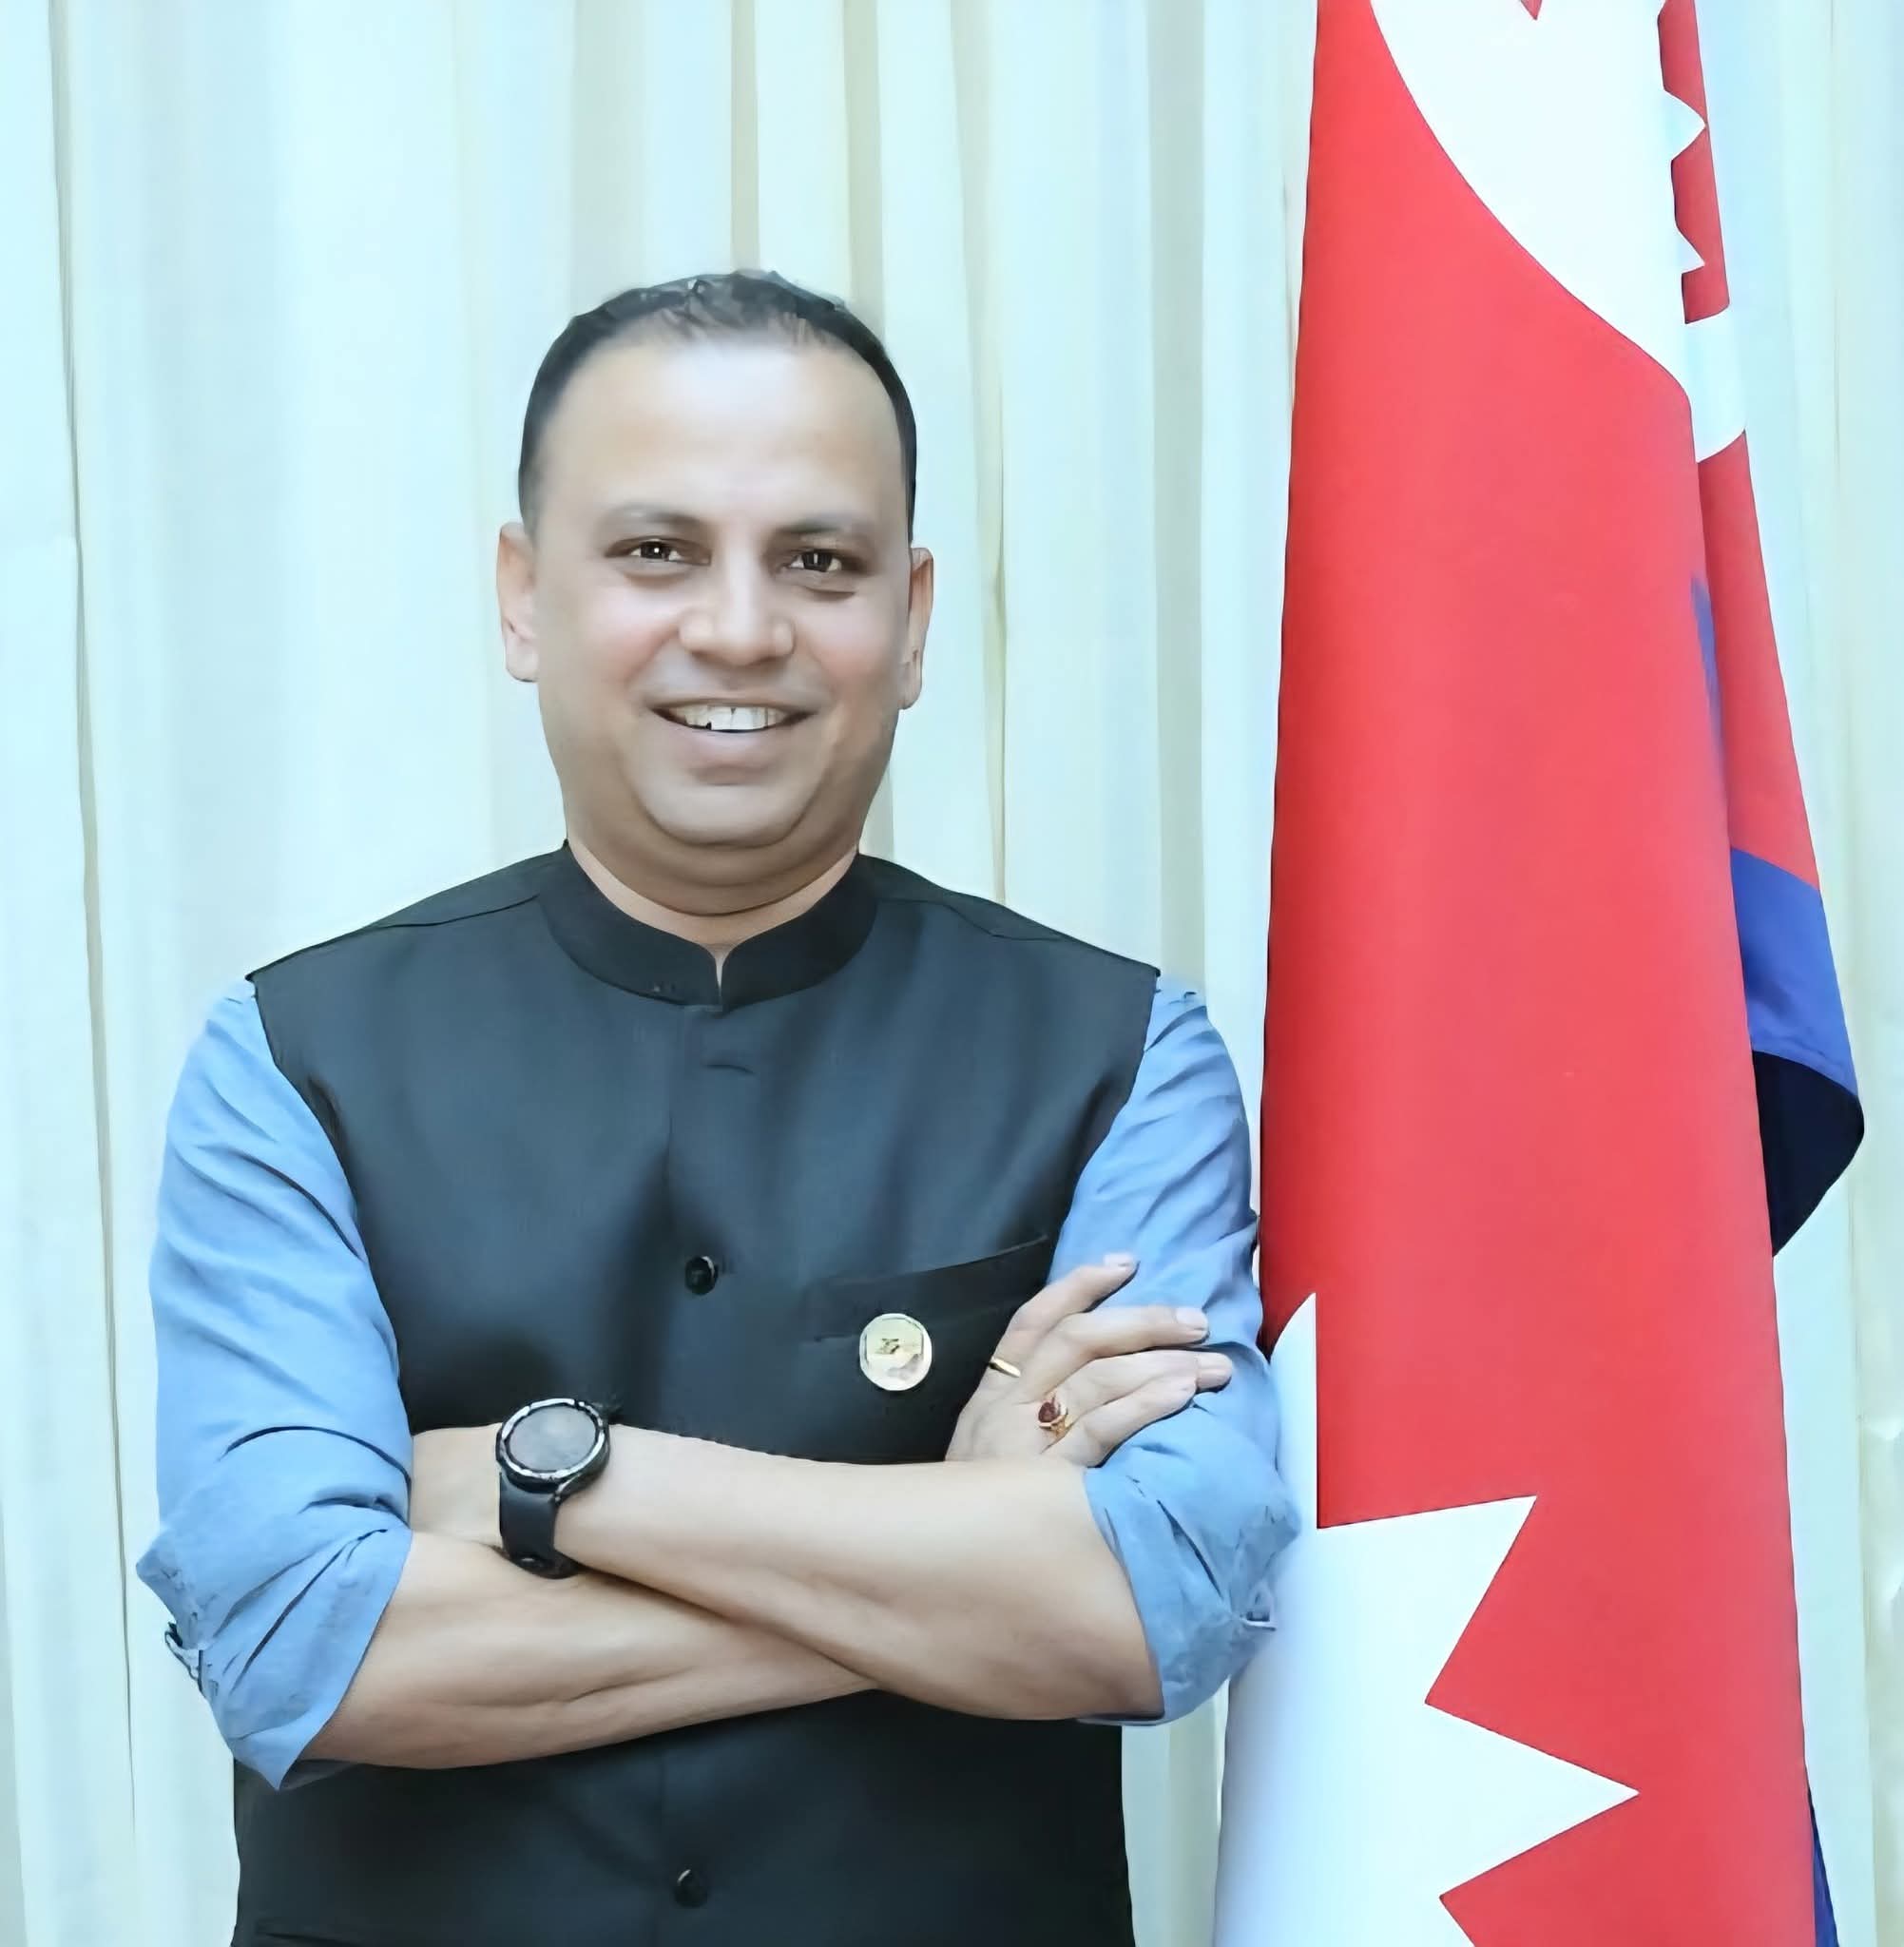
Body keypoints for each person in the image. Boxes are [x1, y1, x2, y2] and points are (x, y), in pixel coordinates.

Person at [139, 270, 1295, 1947]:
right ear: (525, 598)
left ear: (911, 619)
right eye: (658, 551)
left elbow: (1160, 1603)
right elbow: (300, 1645)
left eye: (818, 563)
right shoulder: (289, 1059)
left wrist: (556, 1483)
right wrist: (965, 1543)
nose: (742, 629)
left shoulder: (1124, 1055)